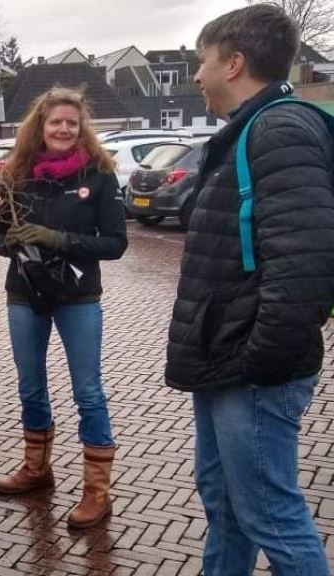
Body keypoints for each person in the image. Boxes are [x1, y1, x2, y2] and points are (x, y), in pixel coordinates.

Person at [166, 6, 334, 574]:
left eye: (202, 62)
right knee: (226, 507)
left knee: (270, 515)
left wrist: (261, 361)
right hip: (225, 361)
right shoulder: (249, 130)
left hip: (252, 368)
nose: (196, 76)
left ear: (233, 63)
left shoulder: (279, 130)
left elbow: (304, 264)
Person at [0, 87, 127, 529]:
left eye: (72, 122)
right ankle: (36, 469)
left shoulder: (100, 175)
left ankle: (96, 491)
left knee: (88, 391)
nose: (64, 129)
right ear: (40, 127)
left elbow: (116, 243)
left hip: (78, 297)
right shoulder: (15, 174)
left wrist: (59, 240)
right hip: (25, 294)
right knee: (30, 387)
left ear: (81, 127)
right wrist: (7, 243)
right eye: (55, 122)